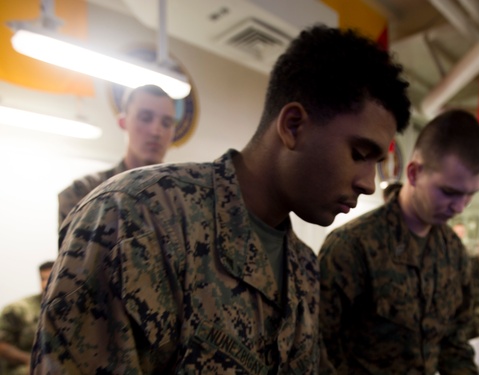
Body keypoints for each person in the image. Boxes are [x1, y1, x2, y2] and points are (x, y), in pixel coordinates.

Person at [31, 25, 411, 374]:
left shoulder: (303, 268)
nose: (369, 184)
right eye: (361, 154)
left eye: (377, 163)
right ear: (293, 126)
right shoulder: (134, 218)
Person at [319, 108, 479, 374]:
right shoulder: (352, 246)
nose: (460, 207)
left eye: (470, 195)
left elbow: (454, 343)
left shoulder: (453, 252)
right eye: (449, 192)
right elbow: (319, 351)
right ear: (413, 173)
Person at [57, 84, 176, 227]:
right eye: (145, 118)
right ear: (123, 122)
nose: (157, 131)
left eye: (166, 123)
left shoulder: (179, 198)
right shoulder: (84, 194)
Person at [0, 261, 54, 375]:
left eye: (50, 279)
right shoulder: (18, 309)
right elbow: (2, 344)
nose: (45, 284)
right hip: (24, 368)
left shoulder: (73, 309)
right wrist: (30, 360)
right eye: (42, 279)